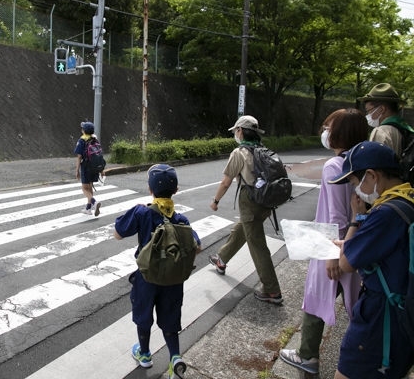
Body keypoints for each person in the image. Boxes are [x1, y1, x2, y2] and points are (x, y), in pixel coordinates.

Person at [279, 109, 368, 374]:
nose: (324, 132)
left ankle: (308, 356)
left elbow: (335, 215)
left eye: (328, 126)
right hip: (359, 241)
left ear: (340, 132)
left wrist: (331, 254)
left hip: (335, 243)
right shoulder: (363, 163)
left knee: (316, 295)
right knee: (357, 303)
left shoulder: (334, 165)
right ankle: (364, 356)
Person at [328, 141, 414, 379]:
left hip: (381, 317)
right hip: (402, 309)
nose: (356, 191)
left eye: (355, 183)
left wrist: (356, 217)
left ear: (371, 175)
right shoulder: (407, 199)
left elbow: (346, 264)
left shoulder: (384, 213)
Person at [114, 164, 201, 379]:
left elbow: (117, 233)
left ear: (150, 190)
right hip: (172, 281)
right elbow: (197, 247)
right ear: (176, 190)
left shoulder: (142, 212)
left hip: (147, 278)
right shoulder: (181, 220)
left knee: (144, 315)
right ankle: (175, 358)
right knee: (170, 319)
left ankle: (144, 355)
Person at [208, 115, 284, 304]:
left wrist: (215, 200)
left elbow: (226, 182)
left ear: (241, 131)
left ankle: (272, 291)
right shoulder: (263, 150)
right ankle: (222, 258)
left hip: (249, 200)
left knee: (257, 245)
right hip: (266, 200)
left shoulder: (240, 153)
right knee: (244, 226)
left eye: (236, 131)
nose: (235, 134)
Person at [359, 83, 412, 155]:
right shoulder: (405, 129)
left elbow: (375, 162)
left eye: (368, 110)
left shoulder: (381, 131)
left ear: (381, 109)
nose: (368, 115)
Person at [74, 121, 101, 216]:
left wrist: (77, 170)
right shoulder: (95, 140)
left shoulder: (81, 141)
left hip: (86, 166)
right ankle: (88, 209)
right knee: (90, 187)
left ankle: (94, 202)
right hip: (94, 167)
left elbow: (79, 157)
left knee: (84, 189)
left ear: (83, 131)